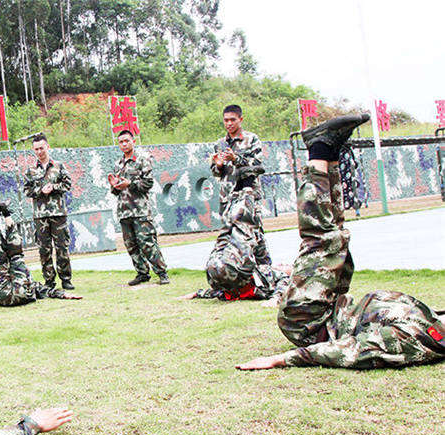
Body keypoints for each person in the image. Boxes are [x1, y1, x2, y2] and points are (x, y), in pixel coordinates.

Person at [237, 114, 445, 370]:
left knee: (322, 239)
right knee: (337, 234)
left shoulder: (418, 339)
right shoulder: (437, 322)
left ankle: (319, 149)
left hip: (308, 318)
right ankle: (330, 152)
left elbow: (350, 351)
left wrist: (281, 359)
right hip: (333, 304)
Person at [178, 187, 289, 306]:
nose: (283, 263)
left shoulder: (278, 277)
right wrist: (197, 294)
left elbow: (283, 286)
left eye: (286, 265)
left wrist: (274, 300)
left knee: (240, 230)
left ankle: (246, 197)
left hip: (235, 272)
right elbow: (218, 292)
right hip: (222, 272)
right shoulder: (265, 269)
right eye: (285, 263)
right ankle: (238, 199)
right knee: (230, 232)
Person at [209, 104, 270, 265]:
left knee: (255, 234)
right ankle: (234, 272)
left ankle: (265, 269)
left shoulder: (251, 139)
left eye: (232, 120)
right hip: (227, 196)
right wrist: (219, 165)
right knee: (228, 235)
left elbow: (257, 165)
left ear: (240, 120)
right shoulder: (220, 143)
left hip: (248, 194)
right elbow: (215, 172)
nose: (229, 123)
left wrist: (236, 158)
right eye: (226, 120)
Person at [108, 130, 169, 285]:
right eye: (121, 142)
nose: (124, 144)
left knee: (147, 243)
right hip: (124, 211)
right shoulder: (118, 164)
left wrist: (130, 183)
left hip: (140, 210)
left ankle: (162, 273)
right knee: (131, 245)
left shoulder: (142, 159)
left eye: (126, 141)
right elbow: (116, 191)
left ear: (133, 141)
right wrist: (114, 185)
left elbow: (148, 183)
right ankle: (142, 273)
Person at [22, 134, 74, 290]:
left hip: (58, 213)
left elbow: (67, 184)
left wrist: (54, 187)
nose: (39, 152)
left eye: (41, 148)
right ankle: (49, 281)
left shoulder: (58, 166)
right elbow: (27, 190)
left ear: (47, 147)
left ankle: (66, 279)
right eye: (36, 149)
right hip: (40, 216)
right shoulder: (31, 171)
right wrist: (40, 190)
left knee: (62, 247)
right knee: (44, 250)